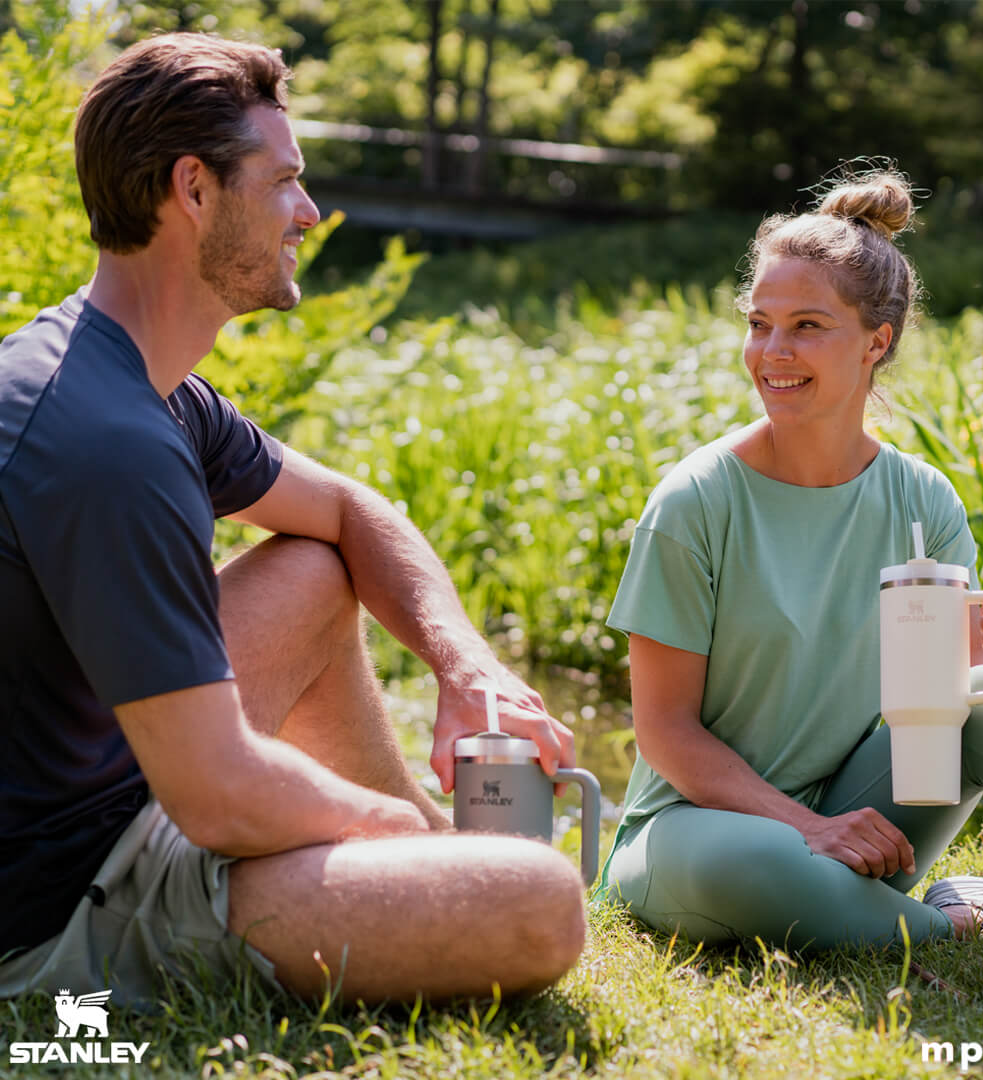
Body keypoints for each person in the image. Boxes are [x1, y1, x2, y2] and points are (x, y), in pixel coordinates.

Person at [0, 33, 585, 1008]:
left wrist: (466, 668)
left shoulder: (137, 382)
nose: (308, 212)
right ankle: (431, 865)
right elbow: (218, 793)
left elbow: (354, 512)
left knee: (314, 565)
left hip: (125, 790)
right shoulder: (107, 442)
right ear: (192, 189)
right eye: (284, 182)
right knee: (540, 904)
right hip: (54, 912)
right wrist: (386, 833)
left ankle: (431, 867)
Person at [597, 164, 983, 950]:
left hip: (869, 821)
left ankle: (880, 906)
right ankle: (977, 921)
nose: (771, 351)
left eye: (807, 326)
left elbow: (951, 703)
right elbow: (665, 734)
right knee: (759, 865)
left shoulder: (925, 502)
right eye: (759, 323)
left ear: (876, 342)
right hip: (703, 833)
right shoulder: (694, 503)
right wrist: (806, 828)